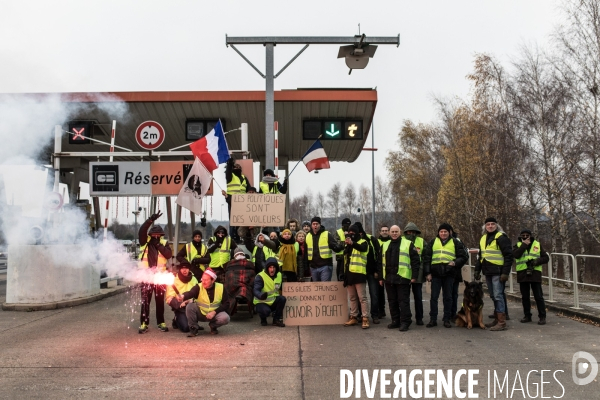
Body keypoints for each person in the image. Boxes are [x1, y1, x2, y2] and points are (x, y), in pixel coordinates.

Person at [422, 223, 467, 328]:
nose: (443, 233)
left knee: (448, 297)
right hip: (436, 274)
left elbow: (463, 256)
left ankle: (446, 319)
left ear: (449, 232)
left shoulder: (455, 242)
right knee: (434, 297)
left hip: (449, 274)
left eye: (445, 231)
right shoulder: (433, 242)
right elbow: (427, 258)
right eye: (441, 231)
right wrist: (427, 273)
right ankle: (433, 319)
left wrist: (455, 263)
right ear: (438, 232)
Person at [378, 225, 420, 331]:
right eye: (392, 231)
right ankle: (395, 321)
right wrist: (380, 277)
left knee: (403, 301)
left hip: (403, 277)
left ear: (400, 232)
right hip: (389, 278)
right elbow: (379, 262)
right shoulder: (385, 245)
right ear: (389, 233)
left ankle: (406, 321)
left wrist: (414, 276)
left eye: (396, 231)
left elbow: (415, 261)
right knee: (392, 301)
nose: (394, 233)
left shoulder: (408, 244)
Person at [474, 217, 513, 331]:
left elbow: (508, 256)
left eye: (492, 224)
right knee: (493, 295)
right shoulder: (483, 238)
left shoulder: (501, 237)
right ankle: (497, 319)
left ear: (496, 225)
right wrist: (477, 270)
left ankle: (502, 322)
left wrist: (505, 272)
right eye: (488, 224)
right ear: (485, 226)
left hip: (498, 271)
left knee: (498, 295)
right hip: (488, 271)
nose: (490, 226)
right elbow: (481, 256)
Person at [137, 212, 172, 334]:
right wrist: (150, 220)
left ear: (161, 235)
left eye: (158, 234)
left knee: (159, 301)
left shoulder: (163, 243)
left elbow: (168, 254)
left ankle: (161, 322)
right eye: (154, 234)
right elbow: (142, 231)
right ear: (150, 234)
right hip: (146, 277)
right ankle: (144, 323)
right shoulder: (145, 241)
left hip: (160, 277)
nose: (156, 236)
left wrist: (157, 244)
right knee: (145, 301)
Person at [514, 229, 549, 325]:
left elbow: (546, 258)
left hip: (535, 273)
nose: (525, 237)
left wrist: (536, 261)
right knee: (525, 297)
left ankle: (542, 316)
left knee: (538, 296)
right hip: (522, 273)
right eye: (523, 235)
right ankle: (527, 316)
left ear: (530, 236)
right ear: (520, 236)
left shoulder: (537, 244)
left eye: (527, 235)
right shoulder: (517, 245)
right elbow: (516, 255)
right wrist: (524, 245)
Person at [181, 268, 231, 336]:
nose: (203, 282)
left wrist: (214, 312)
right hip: (200, 313)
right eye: (202, 279)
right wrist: (183, 296)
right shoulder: (199, 286)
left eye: (206, 280)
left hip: (214, 314)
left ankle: (213, 326)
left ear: (213, 280)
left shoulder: (221, 287)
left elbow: (227, 303)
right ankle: (194, 328)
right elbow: (191, 293)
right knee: (190, 306)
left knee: (226, 318)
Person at [341, 225, 371, 329]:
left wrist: (352, 243)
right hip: (349, 274)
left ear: (358, 233)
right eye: (350, 232)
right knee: (352, 298)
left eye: (353, 232)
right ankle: (353, 316)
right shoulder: (348, 244)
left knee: (362, 298)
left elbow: (362, 249)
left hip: (359, 273)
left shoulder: (363, 242)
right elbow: (346, 260)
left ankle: (365, 318)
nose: (351, 234)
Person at [354, 221, 382, 324]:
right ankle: (360, 315)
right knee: (359, 296)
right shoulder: (353, 240)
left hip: (371, 271)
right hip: (359, 272)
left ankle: (374, 315)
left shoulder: (371, 239)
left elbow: (379, 256)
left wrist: (377, 271)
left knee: (374, 294)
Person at [402, 222, 428, 325]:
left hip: (418, 273)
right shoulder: (402, 241)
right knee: (405, 298)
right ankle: (407, 317)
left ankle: (419, 318)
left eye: (413, 231)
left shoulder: (421, 241)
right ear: (406, 231)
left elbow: (426, 257)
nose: (411, 233)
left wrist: (426, 272)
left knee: (418, 297)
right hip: (405, 273)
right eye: (409, 231)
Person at [305, 216, 344, 281]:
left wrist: (341, 246)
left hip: (325, 266)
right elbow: (306, 252)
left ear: (320, 225)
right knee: (316, 288)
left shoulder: (327, 234)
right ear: (311, 225)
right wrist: (306, 266)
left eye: (317, 224)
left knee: (325, 288)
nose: (315, 226)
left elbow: (335, 246)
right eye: (313, 224)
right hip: (313, 267)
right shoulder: (308, 236)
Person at [166, 261, 198, 333]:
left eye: (186, 268)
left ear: (189, 269)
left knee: (192, 326)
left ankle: (193, 322)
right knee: (186, 328)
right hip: (180, 308)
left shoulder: (194, 279)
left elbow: (198, 294)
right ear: (179, 269)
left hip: (191, 305)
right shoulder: (173, 280)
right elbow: (169, 298)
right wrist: (180, 304)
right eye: (182, 268)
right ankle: (176, 319)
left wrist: (190, 301)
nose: (184, 270)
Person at [253, 257, 286, 327]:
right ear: (267, 268)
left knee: (282, 299)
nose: (272, 269)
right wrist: (261, 295)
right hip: (261, 302)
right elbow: (255, 290)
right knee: (266, 312)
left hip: (273, 300)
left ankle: (276, 320)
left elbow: (282, 287)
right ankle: (263, 319)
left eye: (274, 267)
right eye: (270, 267)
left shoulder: (279, 275)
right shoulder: (260, 276)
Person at [224, 158, 250, 242]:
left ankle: (240, 237)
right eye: (235, 166)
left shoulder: (244, 178)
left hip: (243, 203)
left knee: (241, 220)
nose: (237, 167)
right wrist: (229, 164)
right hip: (232, 201)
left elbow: (249, 189)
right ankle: (233, 238)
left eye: (239, 167)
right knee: (233, 220)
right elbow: (228, 172)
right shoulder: (230, 176)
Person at [224, 248, 256, 315]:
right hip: (234, 285)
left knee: (243, 287)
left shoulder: (248, 264)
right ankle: (241, 294)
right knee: (241, 286)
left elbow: (251, 274)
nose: (240, 255)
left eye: (241, 254)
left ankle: (241, 293)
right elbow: (228, 275)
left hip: (242, 285)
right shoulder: (230, 264)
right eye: (238, 254)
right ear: (235, 256)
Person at [449, 227, 469, 321]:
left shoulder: (457, 241)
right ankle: (447, 314)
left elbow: (465, 255)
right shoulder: (438, 241)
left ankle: (452, 314)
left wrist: (456, 264)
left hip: (455, 272)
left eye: (447, 231)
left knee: (453, 294)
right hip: (443, 273)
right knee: (447, 295)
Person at [377, 225, 391, 319]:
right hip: (380, 271)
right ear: (380, 232)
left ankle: (394, 313)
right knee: (379, 293)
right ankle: (381, 311)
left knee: (391, 294)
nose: (385, 232)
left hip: (390, 271)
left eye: (386, 230)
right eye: (383, 230)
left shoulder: (392, 242)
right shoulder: (376, 242)